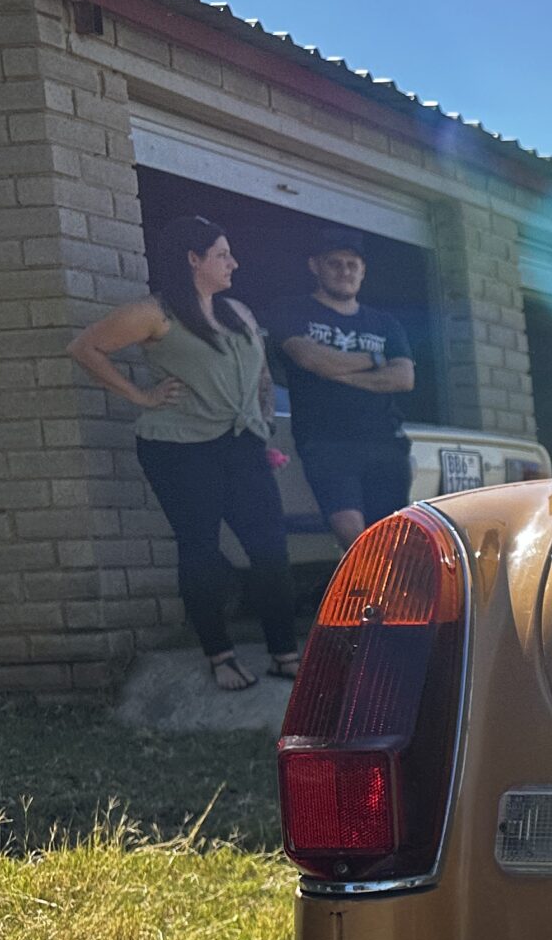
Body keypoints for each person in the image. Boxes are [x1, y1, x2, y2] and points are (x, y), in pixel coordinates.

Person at [66, 215, 299, 693]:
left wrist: (262, 430)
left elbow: (260, 377)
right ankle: (221, 656)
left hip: (242, 447)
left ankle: (285, 654)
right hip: (178, 449)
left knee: (270, 550)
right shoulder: (155, 313)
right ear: (193, 259)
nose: (233, 262)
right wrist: (141, 397)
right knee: (201, 550)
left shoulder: (238, 312)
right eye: (221, 254)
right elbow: (85, 347)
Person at [277, 229, 415, 547]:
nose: (345, 271)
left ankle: (390, 596)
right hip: (326, 442)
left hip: (385, 443)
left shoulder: (385, 323)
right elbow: (310, 359)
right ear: (315, 266)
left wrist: (338, 371)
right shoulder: (293, 310)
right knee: (352, 534)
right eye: (335, 264)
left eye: (353, 264)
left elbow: (404, 378)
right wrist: (377, 360)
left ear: (363, 270)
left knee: (393, 539)